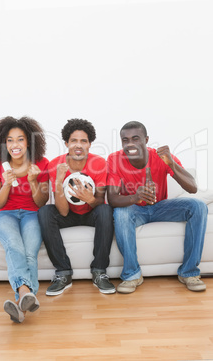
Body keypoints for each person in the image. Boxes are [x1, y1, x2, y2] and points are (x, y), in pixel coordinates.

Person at [107, 121, 208, 294]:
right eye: (125, 140)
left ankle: (189, 272)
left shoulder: (161, 157)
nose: (129, 143)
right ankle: (132, 275)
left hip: (160, 207)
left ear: (146, 140)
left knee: (198, 206)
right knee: (120, 213)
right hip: (135, 209)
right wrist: (135, 197)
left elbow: (192, 188)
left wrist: (171, 164)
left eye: (135, 138)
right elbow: (112, 199)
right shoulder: (114, 159)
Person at [38, 118, 115, 295]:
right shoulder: (55, 165)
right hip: (68, 214)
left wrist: (89, 198)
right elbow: (63, 211)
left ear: (89, 144)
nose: (78, 145)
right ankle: (63, 273)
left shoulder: (99, 163)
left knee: (105, 210)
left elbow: (99, 201)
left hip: (91, 212)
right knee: (44, 212)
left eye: (83, 141)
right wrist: (58, 181)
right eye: (73, 140)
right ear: (66, 143)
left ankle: (99, 272)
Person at [0, 116, 49, 323]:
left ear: (29, 141)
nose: (15, 145)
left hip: (32, 213)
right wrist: (6, 184)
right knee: (14, 245)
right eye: (10, 140)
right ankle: (25, 295)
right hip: (5, 215)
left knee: (30, 253)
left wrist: (33, 181)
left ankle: (21, 307)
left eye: (20, 139)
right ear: (4, 143)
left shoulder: (41, 163)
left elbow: (42, 202)